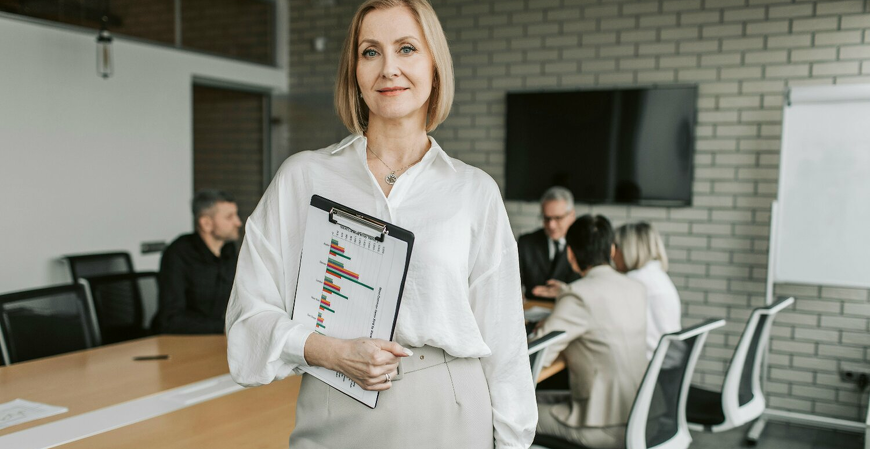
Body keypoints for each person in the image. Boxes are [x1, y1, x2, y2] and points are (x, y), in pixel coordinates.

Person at [225, 1, 536, 448]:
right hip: (335, 401)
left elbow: (505, 341)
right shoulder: (303, 178)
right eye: (370, 52)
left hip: (450, 409)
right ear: (354, 71)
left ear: (435, 66)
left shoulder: (474, 191)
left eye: (407, 48)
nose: (389, 68)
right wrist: (330, 351)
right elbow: (247, 320)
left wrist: (513, 441)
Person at [531, 215, 647, 449]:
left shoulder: (578, 295)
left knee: (508, 415)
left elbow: (536, 356)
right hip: (640, 414)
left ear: (571, 255)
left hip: (603, 426)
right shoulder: (636, 288)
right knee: (534, 400)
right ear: (612, 250)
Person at [155, 189, 241, 334]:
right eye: (229, 217)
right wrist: (224, 327)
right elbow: (171, 319)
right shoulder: (178, 253)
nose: (238, 222)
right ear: (206, 223)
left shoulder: (229, 251)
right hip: (182, 342)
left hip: (219, 340)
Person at [613, 222, 682, 360]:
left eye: (615, 247)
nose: (612, 256)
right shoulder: (657, 275)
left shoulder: (634, 282)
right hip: (665, 364)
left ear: (627, 250)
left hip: (647, 365)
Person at [517, 186, 580, 301]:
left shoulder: (583, 245)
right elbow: (512, 281)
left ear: (572, 215)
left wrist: (565, 291)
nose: (551, 225)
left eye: (558, 218)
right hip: (531, 313)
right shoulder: (526, 243)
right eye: (546, 218)